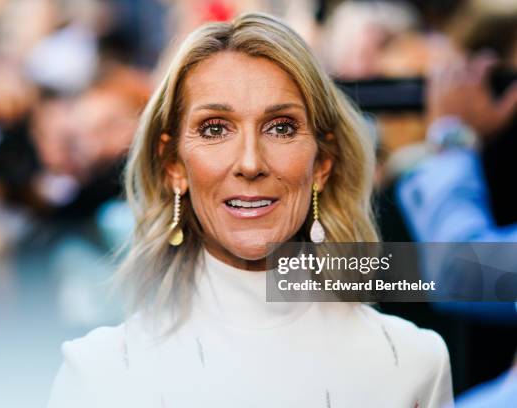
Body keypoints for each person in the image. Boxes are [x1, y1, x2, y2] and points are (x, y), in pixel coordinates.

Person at [48, 13, 453, 407]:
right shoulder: (98, 374)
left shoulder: (413, 363)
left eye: (280, 127)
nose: (250, 162)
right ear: (174, 165)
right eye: (215, 129)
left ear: (322, 163)